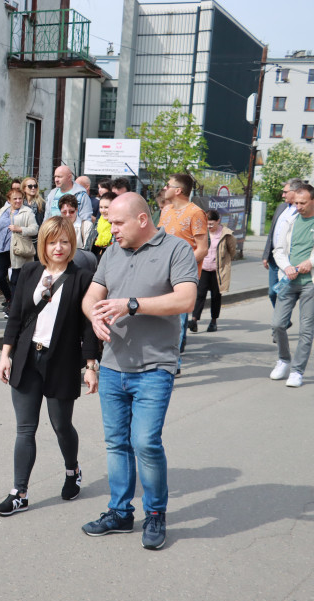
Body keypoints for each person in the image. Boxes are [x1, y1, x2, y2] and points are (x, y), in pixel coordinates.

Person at [81, 192, 197, 550]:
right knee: (117, 443)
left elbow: (186, 299)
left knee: (144, 442)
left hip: (155, 366)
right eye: (109, 222)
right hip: (114, 364)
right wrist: (94, 317)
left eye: (117, 223)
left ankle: (156, 514)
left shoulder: (176, 250)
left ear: (142, 220)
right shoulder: (112, 252)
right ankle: (119, 512)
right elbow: (91, 295)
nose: (110, 229)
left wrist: (132, 304)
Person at [0, 216, 99, 516]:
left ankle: (72, 470)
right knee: (25, 429)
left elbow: (88, 327)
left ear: (72, 244)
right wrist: (5, 354)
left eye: (64, 242)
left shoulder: (82, 278)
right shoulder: (29, 271)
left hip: (61, 361)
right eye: (52, 242)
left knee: (61, 425)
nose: (59, 248)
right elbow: (16, 316)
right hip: (27, 359)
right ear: (43, 244)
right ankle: (19, 493)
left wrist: (90, 365)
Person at [269, 183, 314, 388]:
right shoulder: (289, 221)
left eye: (303, 203)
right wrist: (287, 266)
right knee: (278, 324)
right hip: (289, 280)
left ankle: (297, 371)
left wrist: (312, 262)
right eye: (296, 202)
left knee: (306, 329)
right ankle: (284, 359)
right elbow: (278, 250)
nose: (298, 206)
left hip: (311, 282)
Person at [158, 173, 208, 374]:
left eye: (167, 185)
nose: (164, 188)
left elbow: (202, 249)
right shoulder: (166, 209)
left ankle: (172, 364)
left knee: (177, 320)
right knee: (160, 317)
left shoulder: (196, 213)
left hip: (182, 276)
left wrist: (180, 267)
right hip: (162, 272)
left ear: (178, 190)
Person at [0, 187, 39, 316]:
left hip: (18, 249)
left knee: (15, 279)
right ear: (9, 200)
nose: (18, 201)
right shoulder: (4, 210)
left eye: (20, 198)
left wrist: (19, 229)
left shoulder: (27, 211)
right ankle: (9, 298)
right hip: (3, 248)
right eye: (15, 199)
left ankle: (13, 307)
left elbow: (35, 229)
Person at [189, 210, 236, 333]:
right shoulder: (202, 232)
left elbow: (232, 251)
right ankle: (194, 320)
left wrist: (223, 260)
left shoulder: (226, 234)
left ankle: (213, 321)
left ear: (218, 221)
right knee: (200, 295)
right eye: (207, 224)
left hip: (217, 270)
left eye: (211, 224)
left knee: (216, 296)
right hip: (203, 268)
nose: (209, 226)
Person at [263, 179, 300, 308]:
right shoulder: (282, 207)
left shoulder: (301, 211)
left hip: (288, 259)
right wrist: (265, 255)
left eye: (285, 192)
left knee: (285, 292)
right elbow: (272, 231)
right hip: (274, 258)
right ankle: (282, 319)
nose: (283, 195)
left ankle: (281, 319)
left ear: (295, 192)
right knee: (272, 292)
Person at [91, 194, 114, 261]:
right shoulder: (97, 223)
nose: (103, 211)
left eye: (106, 207)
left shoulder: (120, 227)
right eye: (101, 207)